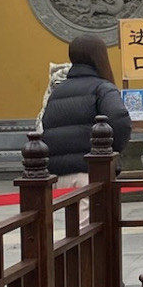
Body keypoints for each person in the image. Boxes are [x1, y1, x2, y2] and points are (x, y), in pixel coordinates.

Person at [40, 34, 132, 179]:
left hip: (56, 176)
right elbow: (120, 121)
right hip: (93, 172)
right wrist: (111, 151)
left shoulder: (57, 92)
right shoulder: (103, 88)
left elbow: (46, 127)